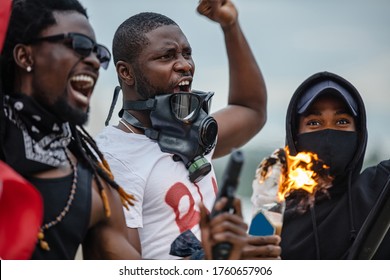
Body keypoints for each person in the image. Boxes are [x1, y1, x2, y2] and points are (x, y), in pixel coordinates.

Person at [0, 0, 253, 260]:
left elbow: (250, 109)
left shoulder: (93, 181)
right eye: (78, 46)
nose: (94, 62)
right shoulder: (111, 160)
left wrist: (216, 263)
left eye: (97, 53)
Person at [96, 0, 281, 260]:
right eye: (166, 56)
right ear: (126, 72)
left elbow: (251, 110)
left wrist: (230, 26)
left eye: (186, 53)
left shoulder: (189, 131)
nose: (185, 65)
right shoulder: (112, 158)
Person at [269, 71, 389, 259]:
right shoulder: (271, 217)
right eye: (314, 122)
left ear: (359, 135)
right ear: (295, 137)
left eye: (342, 121)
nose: (328, 133)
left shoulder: (382, 188)